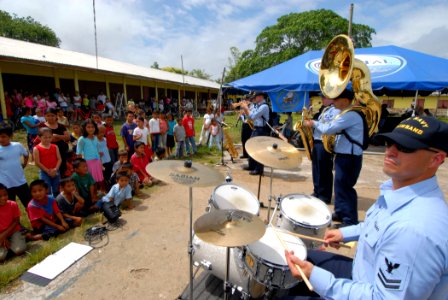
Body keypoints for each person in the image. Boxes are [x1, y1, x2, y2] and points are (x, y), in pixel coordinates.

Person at [285, 116, 448, 299]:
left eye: (404, 147)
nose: (390, 152)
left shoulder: (414, 231)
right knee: (289, 266)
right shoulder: (401, 192)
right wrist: (345, 234)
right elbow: (378, 225)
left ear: (436, 159)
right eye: (389, 143)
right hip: (361, 275)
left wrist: (315, 276)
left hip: (369, 290)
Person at [304, 89, 363, 226]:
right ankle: (340, 212)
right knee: (339, 186)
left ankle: (349, 220)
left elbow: (328, 129)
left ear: (346, 101)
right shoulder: (346, 113)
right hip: (344, 155)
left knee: (345, 187)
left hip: (350, 157)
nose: (334, 102)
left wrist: (313, 123)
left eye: (337, 99)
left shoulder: (350, 115)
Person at [310, 102, 340, 204]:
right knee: (316, 168)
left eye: (324, 97)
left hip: (325, 142)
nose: (322, 99)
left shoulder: (335, 110)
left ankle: (324, 195)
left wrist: (313, 123)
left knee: (324, 170)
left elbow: (330, 126)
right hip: (317, 141)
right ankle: (317, 191)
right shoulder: (325, 109)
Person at [0, 124, 31, 208]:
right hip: (5, 184)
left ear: (10, 136)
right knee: (9, 207)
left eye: (3, 136)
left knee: (29, 204)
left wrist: (24, 164)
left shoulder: (17, 146)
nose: (1, 139)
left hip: (20, 181)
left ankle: (36, 220)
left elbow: (26, 154)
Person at [240, 91, 270, 175]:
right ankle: (252, 166)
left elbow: (253, 116)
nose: (253, 99)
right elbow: (249, 117)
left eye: (255, 97)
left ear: (260, 97)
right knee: (251, 147)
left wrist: (246, 108)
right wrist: (245, 110)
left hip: (261, 130)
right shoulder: (258, 106)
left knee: (258, 150)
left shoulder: (264, 106)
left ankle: (259, 169)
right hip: (256, 128)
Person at [38, 108, 70, 178]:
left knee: (62, 167)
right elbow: (40, 138)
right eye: (48, 116)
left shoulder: (61, 126)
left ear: (56, 116)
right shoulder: (42, 126)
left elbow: (68, 137)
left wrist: (58, 136)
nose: (50, 118)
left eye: (52, 115)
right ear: (45, 116)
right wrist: (52, 139)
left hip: (61, 149)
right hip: (48, 150)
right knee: (50, 166)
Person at [0, 183, 27, 262]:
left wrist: (3, 235)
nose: (3, 198)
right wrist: (2, 237)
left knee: (20, 250)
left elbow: (16, 221)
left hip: (13, 231)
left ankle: (14, 244)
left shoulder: (12, 204)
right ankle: (9, 248)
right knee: (1, 257)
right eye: (0, 196)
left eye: (5, 195)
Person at [76, 119, 104, 191]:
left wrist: (100, 161)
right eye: (88, 127)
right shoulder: (82, 139)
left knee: (99, 179)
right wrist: (81, 166)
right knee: (91, 181)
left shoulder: (95, 137)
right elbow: (78, 154)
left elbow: (96, 149)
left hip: (97, 161)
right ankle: (92, 195)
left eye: (92, 127)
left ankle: (99, 192)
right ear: (84, 128)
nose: (91, 129)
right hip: (88, 162)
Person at [33, 128, 62, 197]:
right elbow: (37, 162)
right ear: (39, 137)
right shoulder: (36, 148)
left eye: (49, 137)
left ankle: (57, 204)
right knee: (46, 189)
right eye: (45, 137)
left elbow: (59, 159)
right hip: (44, 172)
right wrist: (47, 171)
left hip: (55, 171)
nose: (47, 139)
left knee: (57, 188)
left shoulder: (55, 146)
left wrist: (55, 169)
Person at [239, 94, 254, 159]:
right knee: (243, 139)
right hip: (245, 123)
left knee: (249, 139)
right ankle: (245, 154)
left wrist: (245, 110)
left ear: (249, 100)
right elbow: (243, 116)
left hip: (250, 124)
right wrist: (240, 115)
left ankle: (250, 154)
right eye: (244, 100)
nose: (244, 101)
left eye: (245, 100)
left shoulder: (252, 106)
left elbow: (251, 115)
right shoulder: (244, 106)